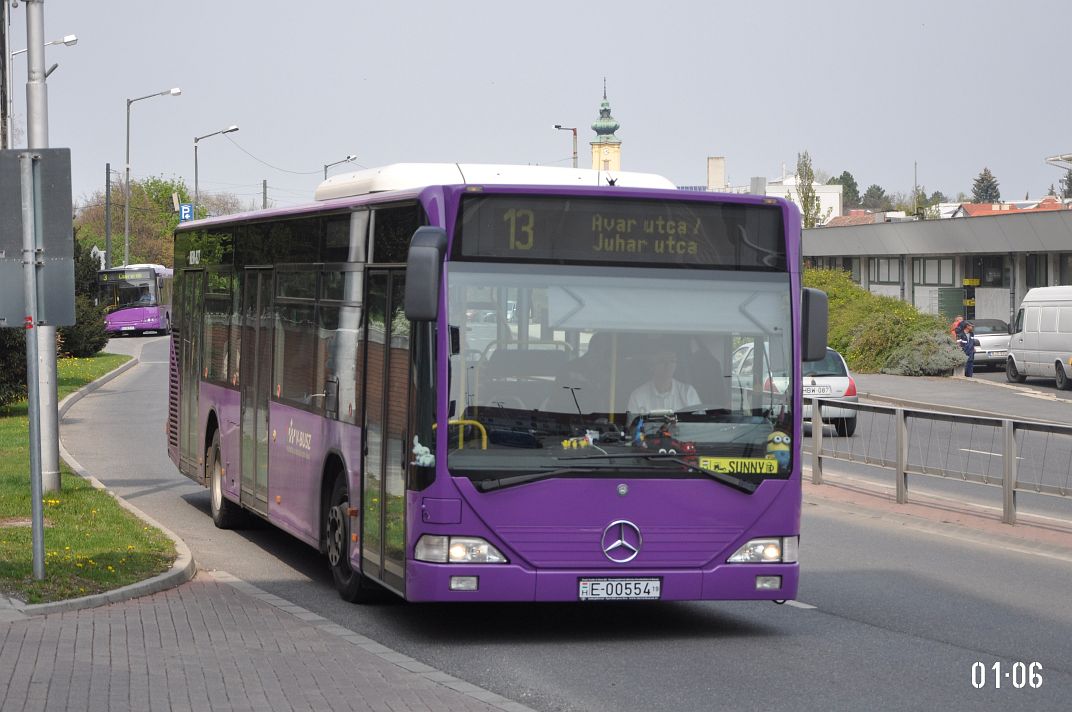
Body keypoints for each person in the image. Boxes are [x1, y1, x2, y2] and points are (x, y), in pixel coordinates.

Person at [627, 349, 701, 414]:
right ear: (651, 367)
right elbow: (633, 427)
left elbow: (699, 424)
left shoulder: (688, 392)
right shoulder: (638, 396)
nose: (668, 365)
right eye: (662, 361)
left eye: (672, 361)